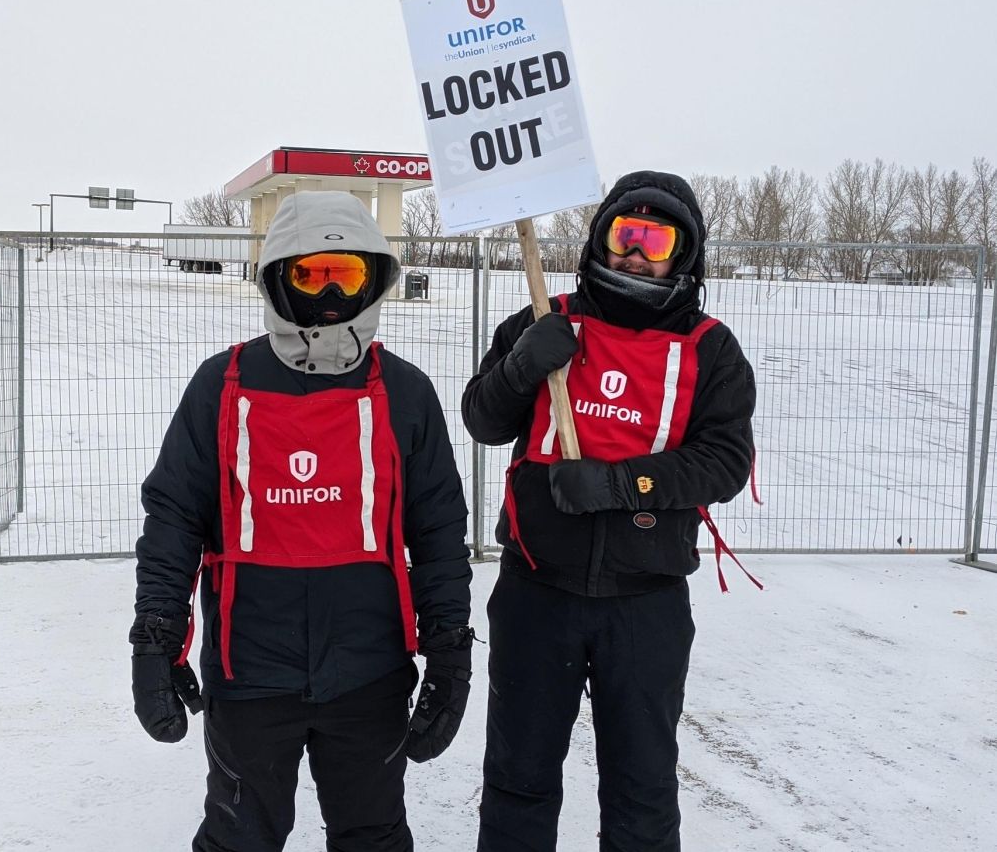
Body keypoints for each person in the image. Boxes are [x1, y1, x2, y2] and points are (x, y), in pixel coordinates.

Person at [131, 190, 474, 852]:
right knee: (240, 838)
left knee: (372, 836)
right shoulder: (221, 386)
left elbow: (438, 536)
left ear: (372, 279)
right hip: (251, 675)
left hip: (369, 676)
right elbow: (173, 519)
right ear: (276, 277)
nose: (328, 295)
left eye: (344, 275)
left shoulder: (406, 393)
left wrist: (451, 650)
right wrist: (156, 636)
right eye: (308, 274)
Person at [462, 171, 757, 851]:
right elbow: (482, 417)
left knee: (642, 789)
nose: (636, 253)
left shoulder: (711, 349)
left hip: (644, 603)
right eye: (626, 234)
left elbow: (725, 461)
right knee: (518, 779)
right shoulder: (545, 318)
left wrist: (625, 484)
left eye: (656, 241)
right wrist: (519, 369)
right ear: (601, 238)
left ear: (683, 254)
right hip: (537, 593)